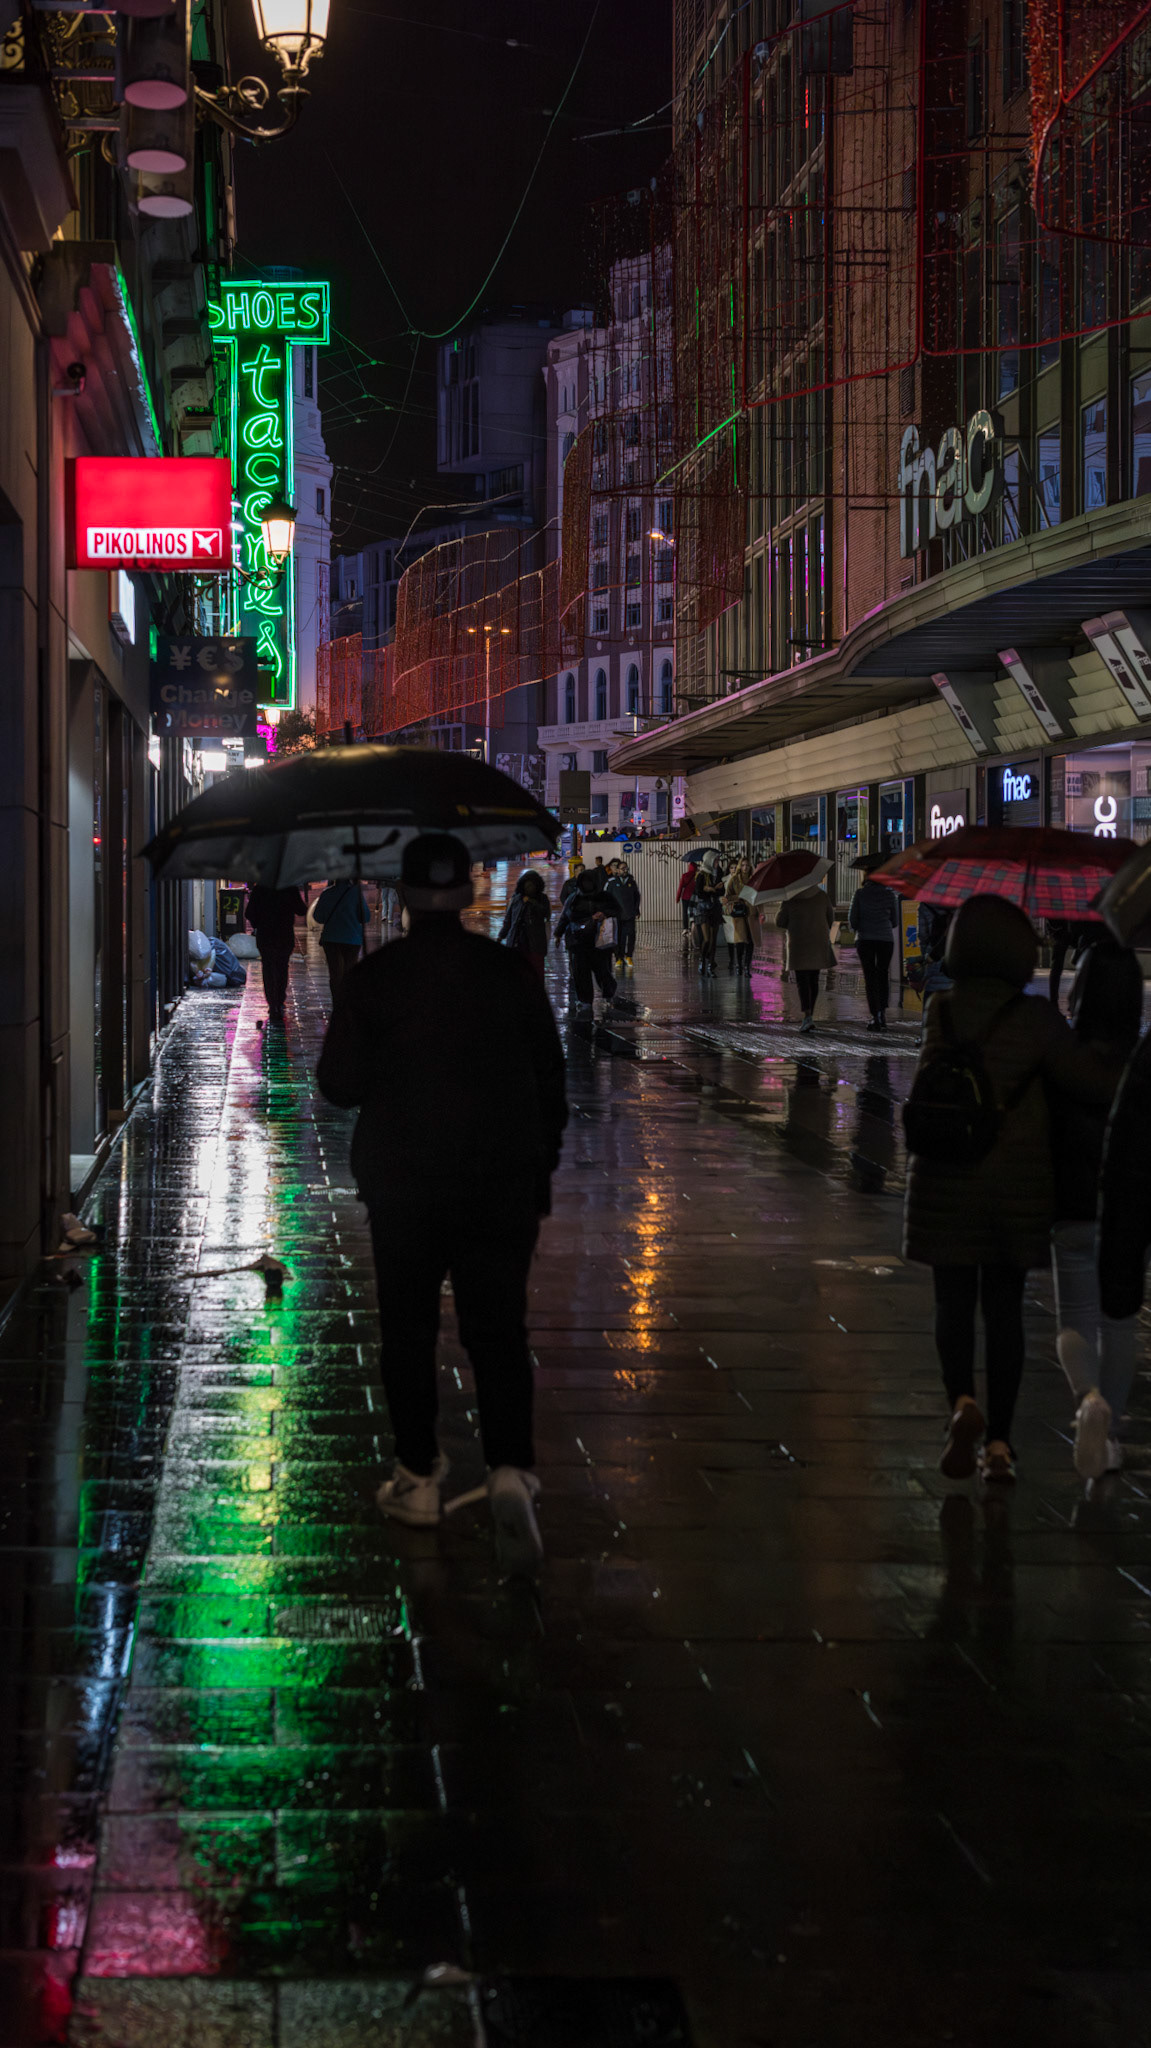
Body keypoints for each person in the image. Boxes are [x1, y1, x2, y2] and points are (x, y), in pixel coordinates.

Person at [316, 834, 567, 1575]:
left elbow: (338, 1085)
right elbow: (550, 1080)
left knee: (408, 1329)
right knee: (498, 1329)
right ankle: (510, 1470)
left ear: (400, 896)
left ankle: (418, 1476)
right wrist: (538, 1163)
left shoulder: (375, 977)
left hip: (404, 1183)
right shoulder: (508, 972)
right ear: (466, 895)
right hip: (500, 1181)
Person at [904, 896, 1114, 1485]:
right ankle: (999, 1445)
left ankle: (962, 1404)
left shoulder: (942, 1009)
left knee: (951, 1303)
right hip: (1014, 1187)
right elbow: (1090, 1082)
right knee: (1004, 1313)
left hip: (945, 1177)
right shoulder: (1036, 1018)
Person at [1049, 940, 1143, 1479]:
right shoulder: (1141, 1065)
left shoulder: (1063, 1059)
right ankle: (1109, 1435)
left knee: (1075, 1319)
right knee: (1120, 1320)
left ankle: (1089, 1401)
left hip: (1072, 1206)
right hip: (1129, 1211)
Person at [554, 867, 618, 1009]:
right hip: (578, 941)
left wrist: (604, 914)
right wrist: (558, 934)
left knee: (603, 972)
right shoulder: (574, 898)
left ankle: (608, 993)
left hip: (599, 942)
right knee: (581, 973)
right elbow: (565, 917)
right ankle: (585, 1001)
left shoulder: (604, 897)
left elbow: (616, 910)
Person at [245, 884, 307, 1027]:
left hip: (265, 935)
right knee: (282, 967)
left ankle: (272, 1003)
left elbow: (249, 913)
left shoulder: (261, 888)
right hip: (284, 935)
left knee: (268, 968)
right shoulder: (289, 887)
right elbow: (301, 910)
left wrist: (257, 923)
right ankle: (279, 1001)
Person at [776, 883, 835, 1030]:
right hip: (818, 941)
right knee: (814, 979)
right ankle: (810, 1014)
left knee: (802, 981)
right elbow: (830, 918)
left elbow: (780, 922)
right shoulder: (822, 896)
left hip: (798, 943)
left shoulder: (790, 898)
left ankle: (807, 1015)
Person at [848, 868, 900, 1030]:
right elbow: (895, 921)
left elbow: (853, 920)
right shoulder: (889, 895)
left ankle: (875, 1015)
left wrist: (863, 926)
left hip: (865, 939)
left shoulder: (860, 894)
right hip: (885, 940)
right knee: (883, 974)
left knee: (870, 977)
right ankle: (882, 1012)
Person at [313, 878, 371, 1001]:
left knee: (335, 974)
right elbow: (365, 917)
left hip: (331, 938)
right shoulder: (356, 893)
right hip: (352, 939)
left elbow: (318, 917)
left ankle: (337, 1002)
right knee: (350, 972)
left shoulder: (327, 894)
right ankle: (347, 1001)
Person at [498, 869, 552, 984]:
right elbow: (509, 920)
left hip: (535, 943)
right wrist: (501, 935)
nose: (529, 888)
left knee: (536, 973)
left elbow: (545, 913)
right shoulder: (516, 899)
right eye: (527, 885)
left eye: (532, 885)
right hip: (517, 941)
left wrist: (532, 902)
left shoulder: (542, 899)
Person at [691, 850, 725, 974]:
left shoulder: (719, 872)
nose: (717, 863)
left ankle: (710, 963)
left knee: (713, 939)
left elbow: (722, 891)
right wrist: (712, 890)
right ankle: (703, 960)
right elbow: (699, 892)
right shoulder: (701, 875)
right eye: (715, 860)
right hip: (703, 909)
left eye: (718, 860)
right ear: (709, 861)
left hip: (715, 908)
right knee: (707, 939)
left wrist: (712, 889)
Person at [605, 857, 641, 971]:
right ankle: (618, 957)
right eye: (622, 868)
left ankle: (628, 956)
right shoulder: (611, 882)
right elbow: (605, 897)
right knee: (618, 937)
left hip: (629, 914)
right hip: (617, 915)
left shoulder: (631, 882)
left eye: (626, 868)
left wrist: (636, 910)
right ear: (617, 870)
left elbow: (637, 897)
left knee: (631, 935)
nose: (625, 870)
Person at [722, 858, 756, 974]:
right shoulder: (735, 879)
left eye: (747, 865)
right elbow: (728, 896)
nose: (745, 868)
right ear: (740, 866)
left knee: (751, 940)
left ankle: (747, 966)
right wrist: (739, 897)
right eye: (743, 865)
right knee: (740, 940)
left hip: (751, 912)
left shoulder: (754, 879)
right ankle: (739, 965)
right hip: (739, 912)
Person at [676, 860, 698, 951]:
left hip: (685, 897)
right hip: (694, 897)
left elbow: (680, 887)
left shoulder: (685, 875)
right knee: (693, 912)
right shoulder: (698, 875)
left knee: (685, 912)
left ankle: (685, 928)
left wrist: (677, 898)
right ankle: (692, 928)